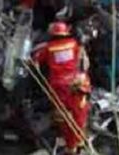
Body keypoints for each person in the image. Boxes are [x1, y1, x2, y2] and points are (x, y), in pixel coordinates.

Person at [33, 22, 90, 154]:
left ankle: (70, 144)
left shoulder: (49, 48)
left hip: (58, 85)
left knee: (62, 114)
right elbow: (82, 59)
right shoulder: (73, 43)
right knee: (77, 114)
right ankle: (77, 142)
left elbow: (36, 60)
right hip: (74, 83)